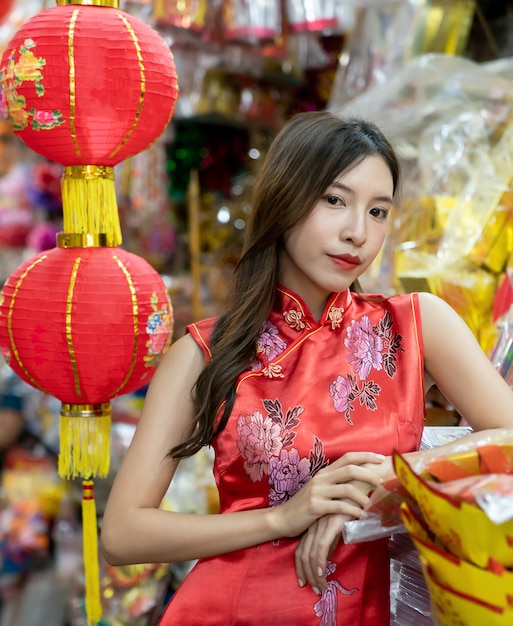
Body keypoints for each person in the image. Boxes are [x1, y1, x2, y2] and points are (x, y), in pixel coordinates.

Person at [101, 110, 513, 625]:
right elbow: (121, 535)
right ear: (285, 198)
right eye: (335, 201)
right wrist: (281, 517)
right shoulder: (207, 353)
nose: (357, 232)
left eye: (378, 212)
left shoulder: (417, 325)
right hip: (232, 610)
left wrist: (393, 478)